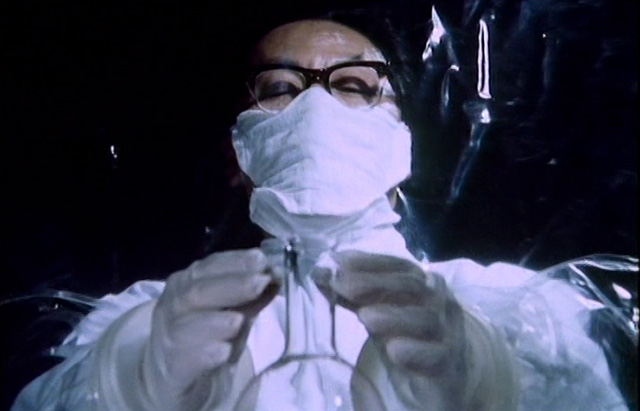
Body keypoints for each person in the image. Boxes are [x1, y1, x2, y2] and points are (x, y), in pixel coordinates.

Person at [11, 11, 630, 411]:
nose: (317, 108)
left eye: (354, 86)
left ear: (401, 148)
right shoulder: (147, 323)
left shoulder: (515, 314)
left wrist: (492, 382)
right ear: (237, 154)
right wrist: (127, 385)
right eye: (280, 88)